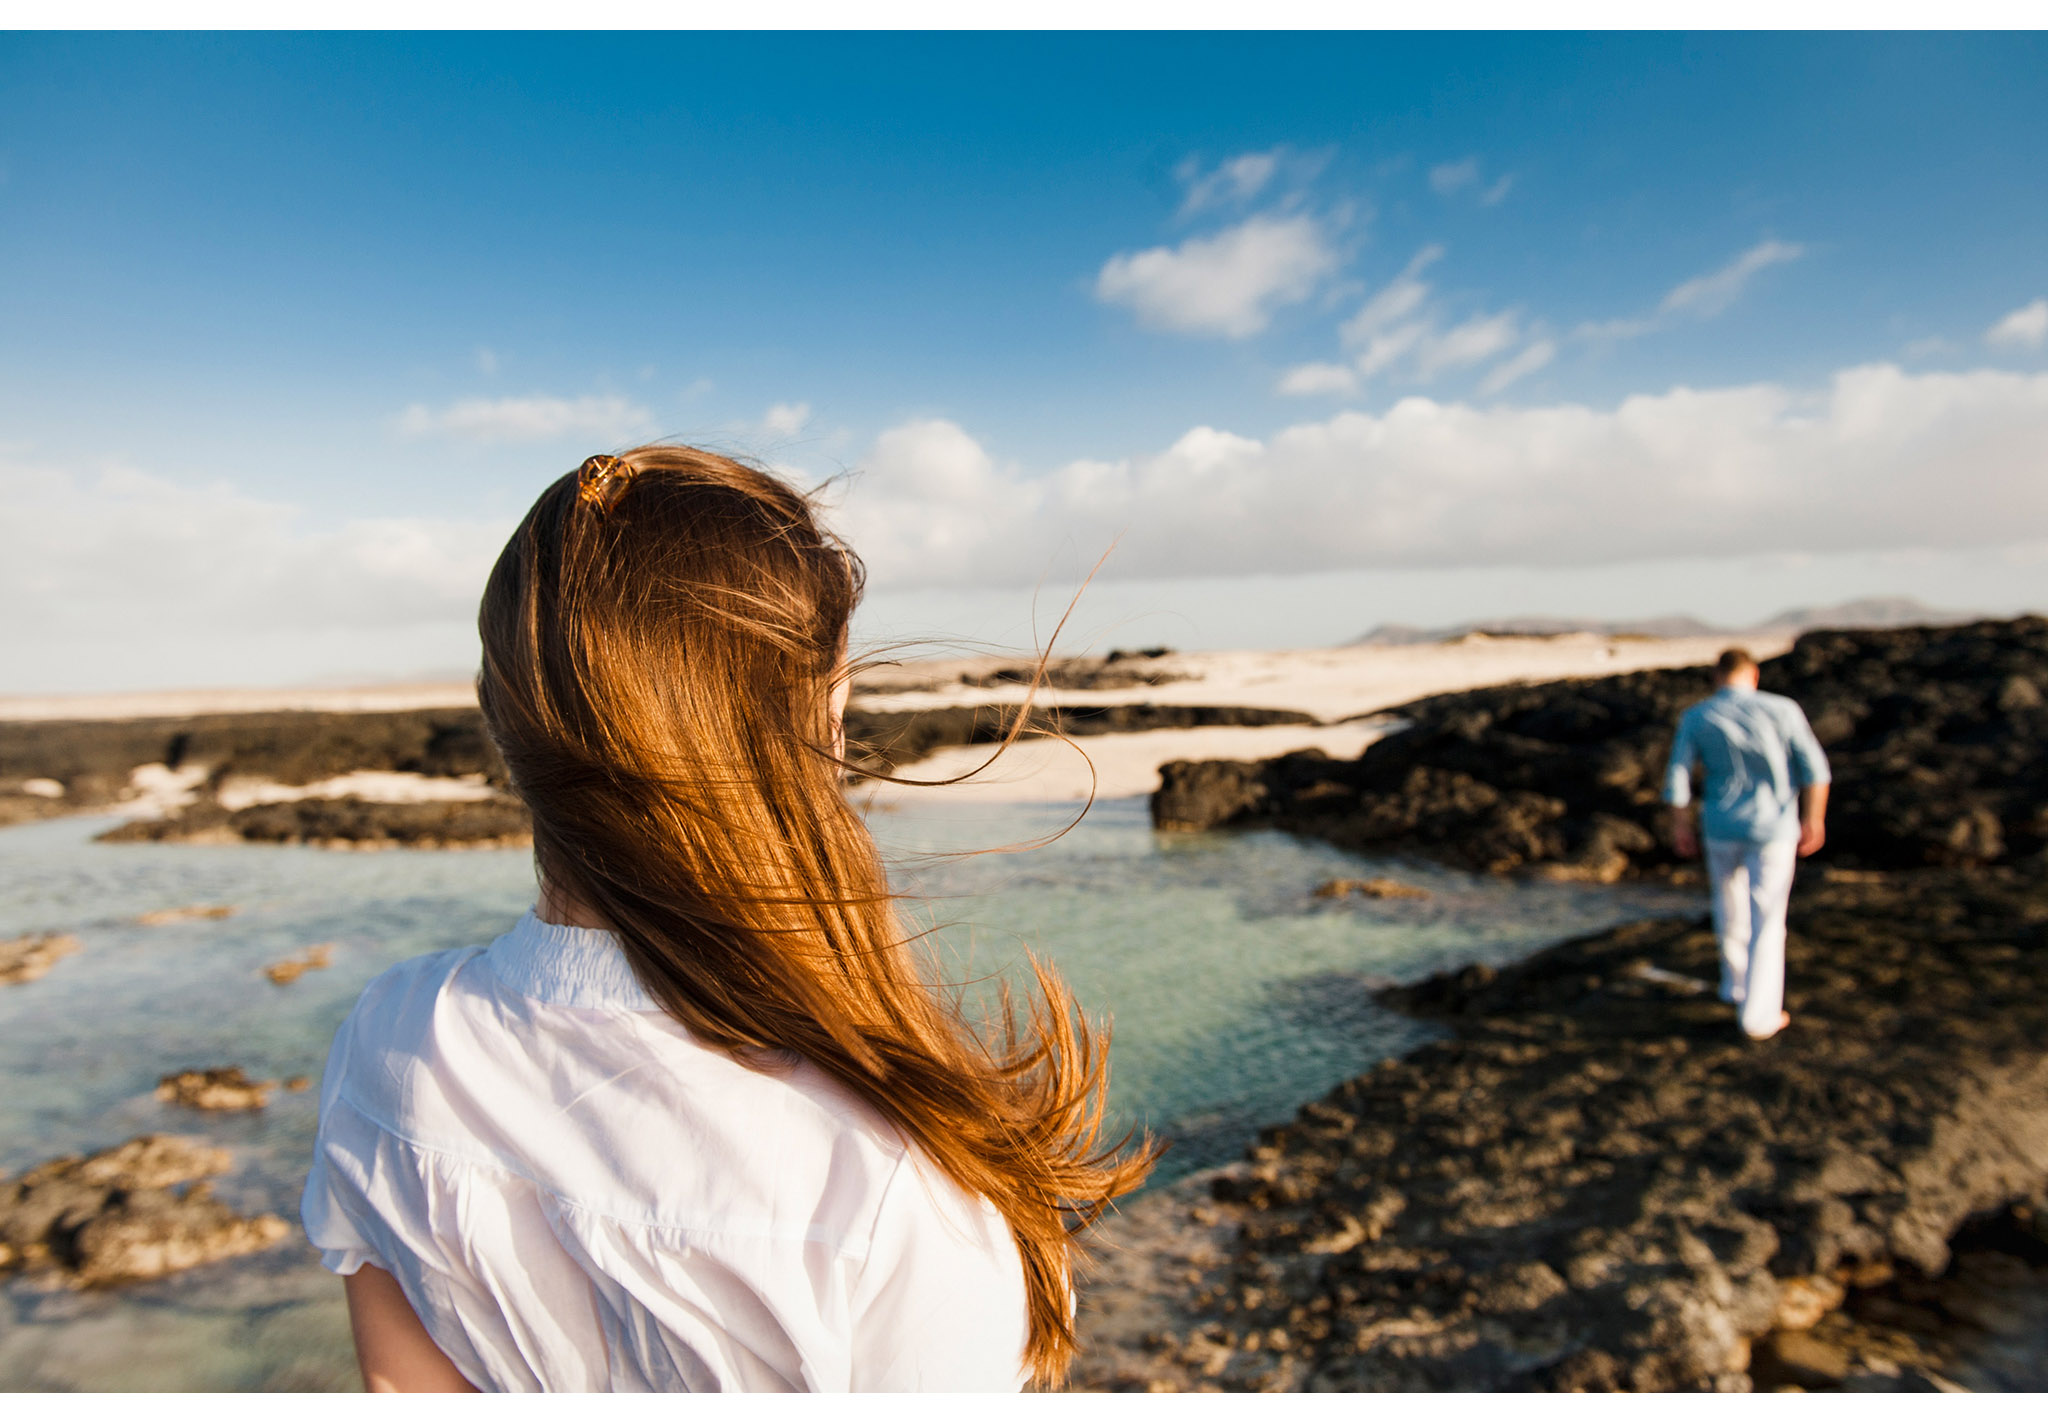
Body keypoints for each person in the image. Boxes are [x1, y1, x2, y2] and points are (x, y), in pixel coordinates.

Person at [301, 447, 1154, 1392]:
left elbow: (401, 1387)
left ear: (500, 721)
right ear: (830, 718)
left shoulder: (391, 1036)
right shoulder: (889, 1184)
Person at [1663, 647, 1831, 1041]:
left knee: (1729, 906)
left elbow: (1677, 778)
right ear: (1753, 675)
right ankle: (1758, 1016)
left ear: (1716, 677)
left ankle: (1734, 986)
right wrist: (1814, 818)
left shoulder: (1698, 716)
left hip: (1720, 825)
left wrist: (1680, 827)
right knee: (1767, 917)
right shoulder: (1783, 709)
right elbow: (1816, 769)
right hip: (1772, 828)